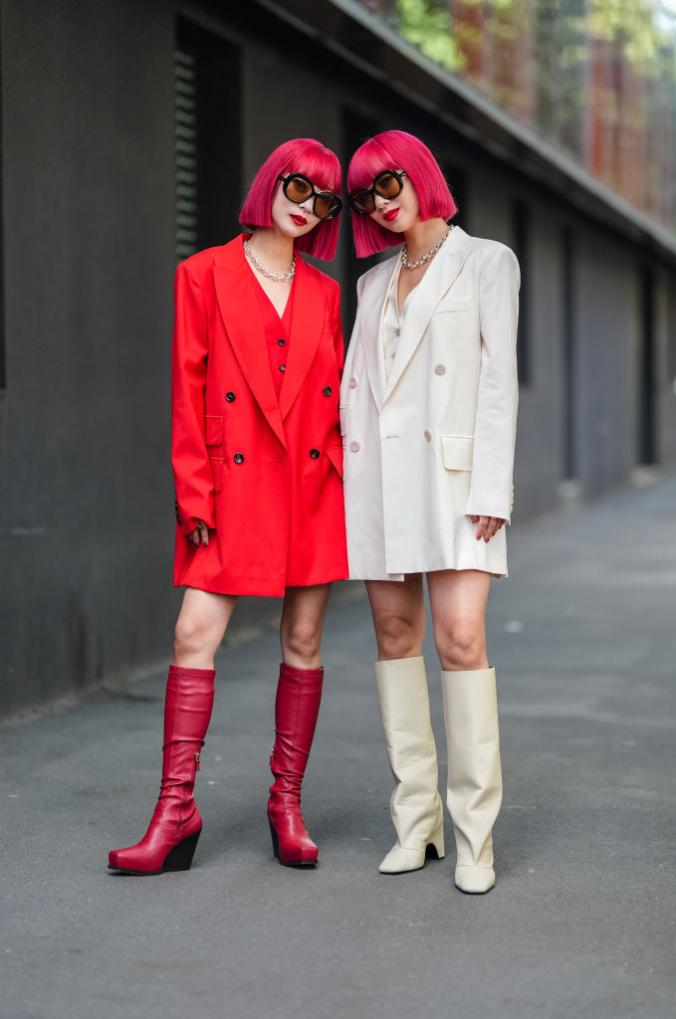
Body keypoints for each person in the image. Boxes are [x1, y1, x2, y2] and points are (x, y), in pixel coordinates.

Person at [108, 138, 347, 875]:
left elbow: (335, 396)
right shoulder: (203, 274)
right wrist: (194, 491)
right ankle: (175, 810)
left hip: (309, 487)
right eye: (298, 190)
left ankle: (287, 803)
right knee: (194, 632)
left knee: (303, 641)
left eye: (325, 200)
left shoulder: (325, 291)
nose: (307, 208)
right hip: (230, 486)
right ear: (271, 185)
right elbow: (188, 391)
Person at [341, 130, 520, 894]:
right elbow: (359, 387)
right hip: (383, 478)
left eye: (388, 185)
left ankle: (475, 834)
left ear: (419, 177)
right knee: (393, 633)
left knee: (461, 634)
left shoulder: (487, 261)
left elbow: (498, 382)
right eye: (366, 194)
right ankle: (417, 820)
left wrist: (492, 488)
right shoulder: (372, 282)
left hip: (453, 481)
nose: (381, 202)